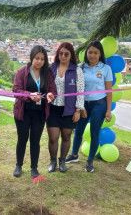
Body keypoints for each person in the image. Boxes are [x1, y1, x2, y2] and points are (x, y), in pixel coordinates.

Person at [65, 40, 113, 173]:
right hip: (83, 104)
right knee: (79, 130)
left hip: (99, 104)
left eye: (96, 53)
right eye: (90, 52)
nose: (92, 55)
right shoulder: (80, 67)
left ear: (100, 54)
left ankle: (90, 160)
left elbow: (109, 91)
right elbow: (76, 88)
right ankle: (74, 155)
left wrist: (108, 110)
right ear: (86, 53)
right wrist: (79, 107)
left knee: (94, 132)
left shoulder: (105, 68)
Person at [12, 45, 57, 178]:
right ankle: (19, 165)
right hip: (23, 111)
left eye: (42, 59)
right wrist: (29, 95)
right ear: (31, 58)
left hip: (40, 112)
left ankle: (34, 167)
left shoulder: (47, 73)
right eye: (37, 58)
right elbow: (16, 90)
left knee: (35, 140)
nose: (39, 61)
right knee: (22, 139)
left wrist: (50, 94)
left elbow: (52, 89)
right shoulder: (22, 72)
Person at [47, 42, 84, 173]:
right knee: (53, 137)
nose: (63, 56)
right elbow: (45, 86)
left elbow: (80, 91)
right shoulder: (51, 68)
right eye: (61, 53)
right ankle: (53, 161)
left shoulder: (76, 70)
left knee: (66, 137)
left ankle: (62, 161)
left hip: (69, 109)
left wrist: (78, 110)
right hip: (53, 108)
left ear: (71, 55)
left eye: (66, 54)